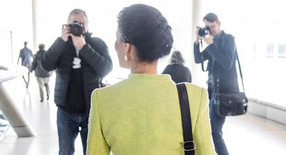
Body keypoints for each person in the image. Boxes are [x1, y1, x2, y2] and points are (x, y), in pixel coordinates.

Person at [86, 4, 215, 155]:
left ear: (127, 47)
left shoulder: (102, 99)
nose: (115, 44)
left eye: (117, 37)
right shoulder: (195, 97)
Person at [41, 9, 112, 155]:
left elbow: (106, 68)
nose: (78, 26)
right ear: (66, 25)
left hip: (91, 110)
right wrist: (61, 41)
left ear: (87, 26)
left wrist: (84, 47)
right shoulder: (61, 44)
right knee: (65, 151)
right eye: (74, 23)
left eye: (81, 23)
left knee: (92, 151)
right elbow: (46, 65)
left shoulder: (97, 43)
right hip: (66, 109)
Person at [193, 13, 239, 155]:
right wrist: (197, 41)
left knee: (215, 132)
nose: (210, 30)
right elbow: (198, 59)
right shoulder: (211, 42)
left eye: (212, 26)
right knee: (212, 130)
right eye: (208, 27)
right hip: (212, 92)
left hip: (224, 93)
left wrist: (211, 45)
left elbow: (227, 63)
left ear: (219, 23)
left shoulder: (228, 40)